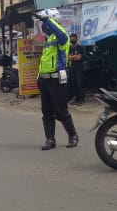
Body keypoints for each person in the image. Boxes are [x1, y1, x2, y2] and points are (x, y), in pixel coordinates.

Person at [35, 8, 78, 150]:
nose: (44, 26)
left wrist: (47, 19)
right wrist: (39, 77)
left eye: (46, 23)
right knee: (46, 111)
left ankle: (73, 135)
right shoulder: (49, 39)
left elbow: (61, 35)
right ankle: (50, 139)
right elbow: (44, 60)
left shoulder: (62, 37)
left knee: (60, 110)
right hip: (45, 79)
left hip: (56, 79)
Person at [68, 33, 86, 105]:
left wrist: (72, 57)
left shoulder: (81, 47)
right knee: (73, 84)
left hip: (79, 68)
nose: (72, 39)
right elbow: (68, 57)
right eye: (71, 38)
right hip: (72, 68)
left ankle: (81, 100)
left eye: (73, 38)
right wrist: (74, 57)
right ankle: (76, 98)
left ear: (76, 38)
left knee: (79, 84)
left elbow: (79, 57)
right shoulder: (70, 48)